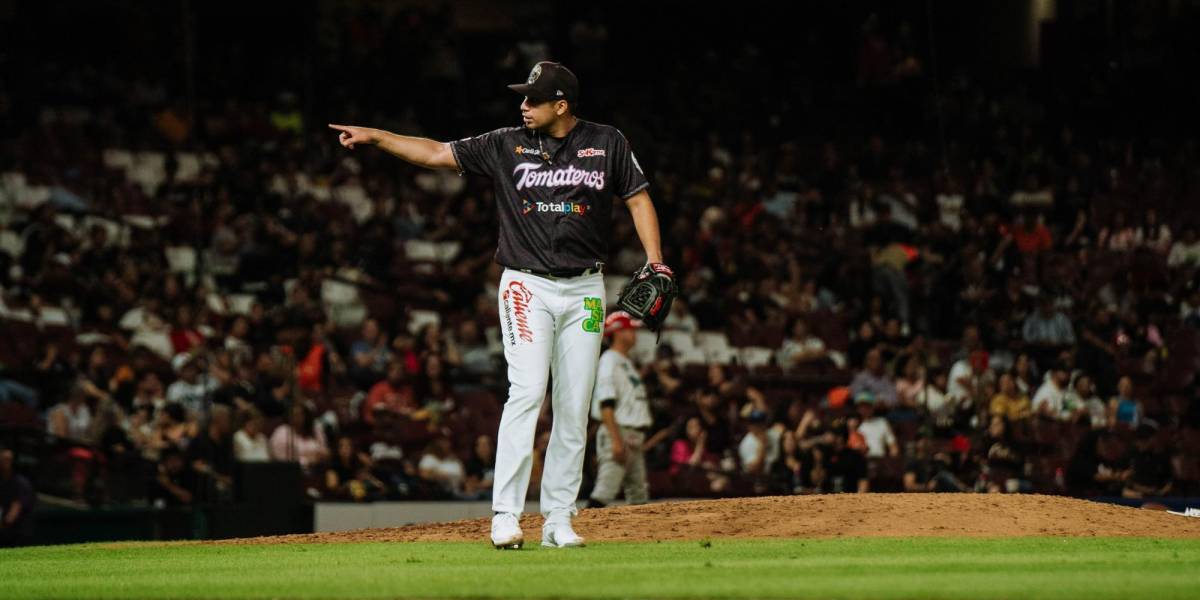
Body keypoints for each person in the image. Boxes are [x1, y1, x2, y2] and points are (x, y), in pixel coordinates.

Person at [331, 60, 669, 549]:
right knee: (528, 391)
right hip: (525, 286)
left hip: (585, 290)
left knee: (574, 407)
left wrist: (655, 261)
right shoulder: (505, 143)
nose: (523, 106)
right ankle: (506, 515)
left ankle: (558, 519)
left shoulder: (608, 142)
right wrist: (378, 137)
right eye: (523, 98)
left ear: (561, 105)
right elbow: (435, 153)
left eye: (533, 99)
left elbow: (638, 198)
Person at [587, 312, 653, 508]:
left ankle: (639, 538)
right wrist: (616, 439)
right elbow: (605, 403)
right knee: (604, 491)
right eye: (629, 328)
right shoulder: (609, 360)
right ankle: (583, 529)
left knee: (638, 495)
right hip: (619, 432)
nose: (634, 333)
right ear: (617, 332)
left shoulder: (624, 362)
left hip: (632, 435)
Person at [0, 447, 36, 547]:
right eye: (2, 460)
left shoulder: (21, 483)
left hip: (19, 533)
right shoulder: (2, 482)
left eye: (8, 460)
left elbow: (16, 508)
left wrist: (4, 524)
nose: (4, 463)